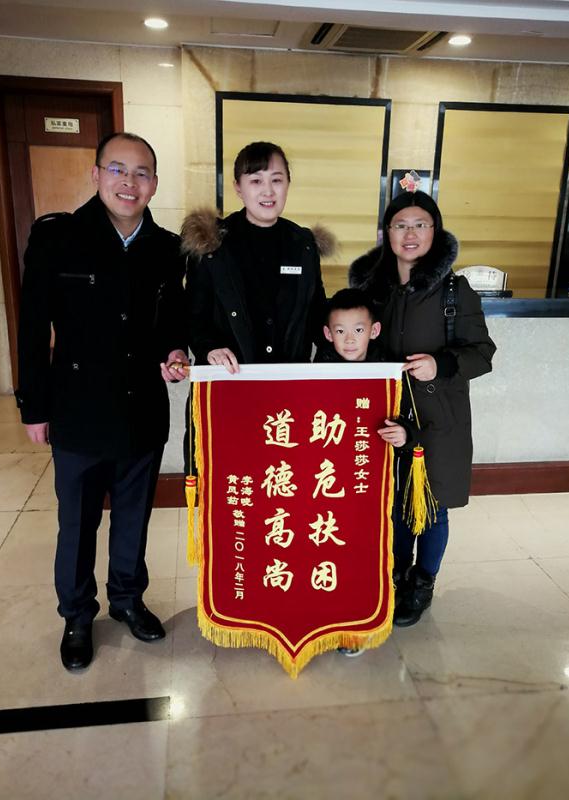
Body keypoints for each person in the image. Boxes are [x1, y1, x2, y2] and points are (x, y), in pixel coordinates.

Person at [16, 132, 188, 671]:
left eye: (141, 173)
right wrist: (33, 407)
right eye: (117, 169)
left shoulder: (166, 249)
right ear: (96, 175)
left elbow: (173, 320)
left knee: (133, 517)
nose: (128, 182)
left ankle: (128, 600)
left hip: (142, 409)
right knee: (78, 523)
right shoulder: (58, 238)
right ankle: (76, 615)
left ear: (154, 184)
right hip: (78, 410)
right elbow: (31, 328)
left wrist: (176, 349)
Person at [349, 190, 496, 627]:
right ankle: (393, 575)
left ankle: (422, 582)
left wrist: (441, 364)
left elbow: (483, 353)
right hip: (382, 417)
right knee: (389, 504)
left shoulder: (455, 290)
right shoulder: (370, 290)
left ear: (435, 231)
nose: (410, 234)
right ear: (386, 232)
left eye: (420, 225)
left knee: (431, 507)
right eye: (400, 225)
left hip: (438, 419)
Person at [316, 287, 415, 654]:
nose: (349, 339)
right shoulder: (313, 373)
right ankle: (326, 613)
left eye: (358, 330)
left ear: (374, 330)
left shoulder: (390, 372)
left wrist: (404, 434)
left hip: (373, 485)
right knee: (329, 547)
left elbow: (412, 420)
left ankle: (359, 620)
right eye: (340, 331)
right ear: (327, 334)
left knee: (369, 549)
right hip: (328, 484)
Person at [181, 141, 333, 373]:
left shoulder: (304, 244)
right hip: (230, 380)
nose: (268, 191)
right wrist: (209, 348)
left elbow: (316, 314)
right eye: (256, 181)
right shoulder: (211, 243)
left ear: (288, 184)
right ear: (238, 188)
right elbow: (194, 314)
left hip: (288, 381)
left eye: (276, 180)